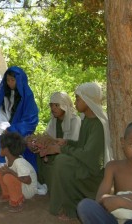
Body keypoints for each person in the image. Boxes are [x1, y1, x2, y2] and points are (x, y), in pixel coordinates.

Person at [38, 82, 113, 220]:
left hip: (93, 173)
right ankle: (63, 204)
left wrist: (61, 149)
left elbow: (90, 157)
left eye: (78, 98)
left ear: (87, 100)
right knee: (56, 159)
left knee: (62, 162)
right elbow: (81, 146)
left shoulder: (97, 124)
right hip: (86, 163)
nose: (75, 102)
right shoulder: (87, 120)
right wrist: (67, 142)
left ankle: (71, 209)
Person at [77, 120, 132, 224]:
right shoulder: (113, 167)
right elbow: (100, 200)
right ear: (123, 142)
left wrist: (123, 202)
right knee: (85, 205)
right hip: (113, 219)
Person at [0, 66, 39, 170]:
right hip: (5, 132)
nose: (10, 83)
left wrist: (12, 130)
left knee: (21, 149)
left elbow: (31, 120)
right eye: (8, 80)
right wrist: (4, 130)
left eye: (12, 80)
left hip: (21, 134)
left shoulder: (27, 96)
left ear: (19, 80)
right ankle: (3, 173)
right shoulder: (4, 95)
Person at [36, 91, 81, 186]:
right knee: (37, 152)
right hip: (53, 152)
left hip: (70, 154)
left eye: (57, 105)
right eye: (51, 105)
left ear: (64, 106)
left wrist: (53, 147)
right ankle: (44, 183)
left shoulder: (75, 121)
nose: (53, 108)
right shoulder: (53, 121)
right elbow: (47, 137)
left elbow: (73, 144)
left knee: (60, 159)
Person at [0, 132, 38, 212]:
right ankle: (7, 195)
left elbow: (28, 181)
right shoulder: (8, 158)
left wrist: (10, 172)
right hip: (22, 184)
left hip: (28, 190)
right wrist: (7, 171)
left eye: (1, 147)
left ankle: (17, 201)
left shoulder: (19, 162)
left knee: (8, 177)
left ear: (7, 149)